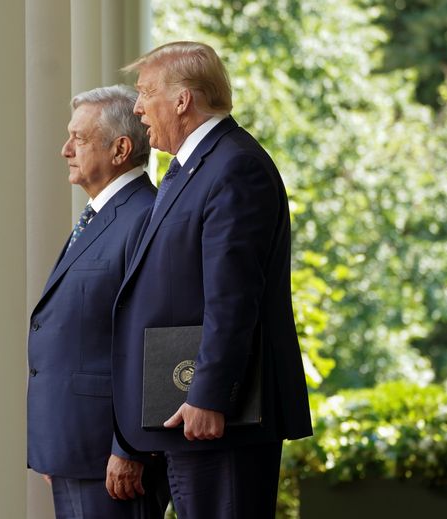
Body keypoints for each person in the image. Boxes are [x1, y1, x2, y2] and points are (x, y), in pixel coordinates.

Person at [110, 41, 313, 518]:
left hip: (220, 417)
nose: (137, 107)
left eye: (146, 93)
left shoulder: (234, 166)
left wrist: (207, 394)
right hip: (187, 413)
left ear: (183, 100)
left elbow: (233, 297)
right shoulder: (194, 169)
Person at [27, 85, 170, 519]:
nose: (65, 149)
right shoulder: (100, 216)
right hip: (75, 447)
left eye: (80, 138)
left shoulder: (144, 216)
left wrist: (129, 448)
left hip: (111, 456)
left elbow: (153, 338)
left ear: (120, 148)